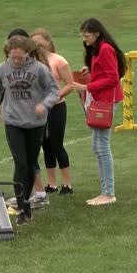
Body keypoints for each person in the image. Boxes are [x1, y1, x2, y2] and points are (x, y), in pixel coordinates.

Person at [0, 35, 59, 225]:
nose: (16, 61)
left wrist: (44, 104)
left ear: (28, 53)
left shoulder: (39, 69)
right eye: (13, 57)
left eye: (20, 57)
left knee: (29, 164)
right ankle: (21, 208)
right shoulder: (2, 69)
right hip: (13, 122)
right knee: (20, 164)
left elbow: (54, 90)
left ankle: (26, 202)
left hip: (35, 123)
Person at [72, 18, 125, 206]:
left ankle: (108, 193)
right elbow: (105, 71)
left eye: (86, 35)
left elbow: (113, 78)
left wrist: (87, 86)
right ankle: (105, 190)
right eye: (83, 35)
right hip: (100, 100)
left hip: (105, 102)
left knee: (102, 146)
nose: (84, 39)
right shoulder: (97, 49)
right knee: (97, 146)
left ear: (96, 34)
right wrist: (91, 70)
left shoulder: (105, 49)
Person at [31, 29, 76, 196]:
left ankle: (67, 184)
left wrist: (55, 97)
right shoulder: (33, 62)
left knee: (57, 143)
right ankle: (52, 183)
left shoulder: (58, 60)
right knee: (45, 144)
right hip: (40, 109)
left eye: (39, 43)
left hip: (56, 107)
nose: (36, 46)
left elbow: (70, 84)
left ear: (47, 42)